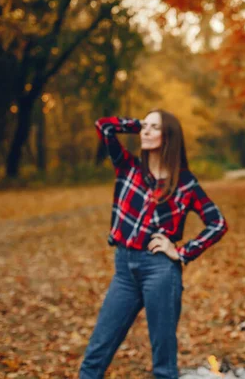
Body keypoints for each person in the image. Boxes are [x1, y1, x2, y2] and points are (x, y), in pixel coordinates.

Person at [80, 110, 228, 378]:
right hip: (124, 270)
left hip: (160, 272)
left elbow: (217, 223)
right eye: (144, 127)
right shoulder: (128, 167)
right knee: (94, 356)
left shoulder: (184, 183)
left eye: (154, 127)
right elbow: (104, 127)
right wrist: (139, 125)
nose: (145, 131)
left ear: (169, 135)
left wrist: (181, 252)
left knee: (163, 365)